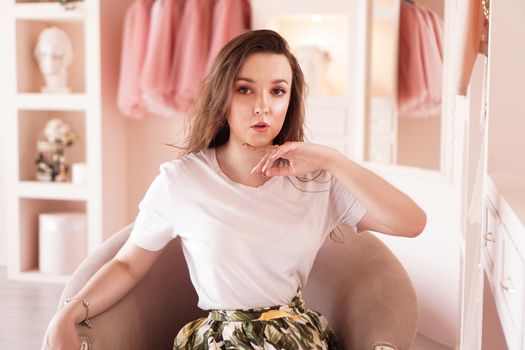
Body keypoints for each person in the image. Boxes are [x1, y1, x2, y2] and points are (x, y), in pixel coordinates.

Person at [42, 29, 426, 349]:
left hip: (295, 338)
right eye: (246, 90)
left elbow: (411, 222)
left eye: (277, 91)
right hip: (221, 339)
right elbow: (127, 264)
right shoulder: (182, 180)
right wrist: (71, 311)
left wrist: (332, 160)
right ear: (223, 95)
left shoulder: (316, 180)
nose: (263, 107)